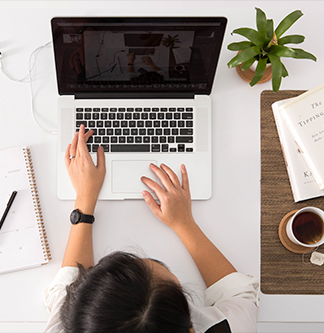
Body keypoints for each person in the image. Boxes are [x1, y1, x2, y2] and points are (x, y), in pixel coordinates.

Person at [43, 125, 259, 333]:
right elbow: (240, 295)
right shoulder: (229, 328)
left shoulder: (66, 324)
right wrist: (184, 223)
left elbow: (68, 285)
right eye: (175, 284)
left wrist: (84, 198)